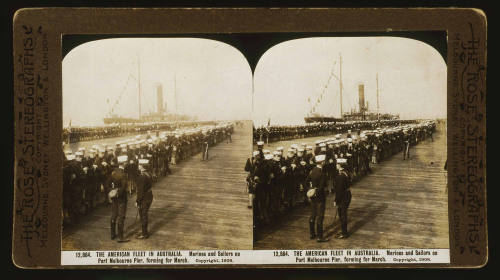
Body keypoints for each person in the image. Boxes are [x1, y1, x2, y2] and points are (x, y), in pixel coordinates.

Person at [306, 154, 329, 242]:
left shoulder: (312, 171)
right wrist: (317, 191)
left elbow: (306, 182)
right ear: (322, 162)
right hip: (320, 198)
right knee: (320, 216)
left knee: (312, 214)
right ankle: (320, 237)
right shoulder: (322, 174)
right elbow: (323, 186)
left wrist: (311, 191)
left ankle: (312, 234)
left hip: (312, 197)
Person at [108, 155, 130, 242]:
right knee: (121, 216)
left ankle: (112, 234)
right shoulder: (123, 174)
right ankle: (120, 237)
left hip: (114, 197)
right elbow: (123, 187)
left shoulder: (113, 172)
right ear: (124, 164)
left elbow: (108, 184)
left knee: (114, 214)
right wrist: (118, 192)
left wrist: (112, 192)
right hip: (121, 198)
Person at [333, 158, 352, 239]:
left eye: (337, 164)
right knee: (343, 214)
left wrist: (336, 200)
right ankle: (344, 231)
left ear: (340, 165)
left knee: (342, 215)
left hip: (343, 197)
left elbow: (339, 190)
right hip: (347, 195)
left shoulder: (340, 176)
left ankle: (344, 233)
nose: (336, 165)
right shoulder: (346, 172)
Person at [135, 159, 154, 239]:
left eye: (139, 165)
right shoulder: (149, 174)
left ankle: (144, 233)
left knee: (143, 215)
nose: (138, 166)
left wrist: (138, 201)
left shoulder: (142, 177)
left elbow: (141, 191)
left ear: (142, 166)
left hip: (144, 198)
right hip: (149, 196)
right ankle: (144, 232)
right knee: (144, 214)